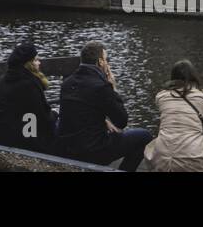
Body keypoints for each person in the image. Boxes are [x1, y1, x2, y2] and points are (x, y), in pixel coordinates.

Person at [56, 41, 152, 171]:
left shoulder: (67, 83)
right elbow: (121, 121)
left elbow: (81, 110)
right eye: (106, 60)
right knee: (144, 136)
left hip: (67, 148)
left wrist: (105, 121)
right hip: (93, 151)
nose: (107, 63)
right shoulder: (101, 86)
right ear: (100, 62)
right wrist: (113, 88)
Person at [144, 60, 203, 172]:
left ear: (173, 77)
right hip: (193, 159)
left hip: (162, 158)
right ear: (194, 76)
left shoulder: (161, 97)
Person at [0, 42, 57, 153]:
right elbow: (43, 116)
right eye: (35, 60)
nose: (39, 62)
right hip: (21, 138)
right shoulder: (30, 83)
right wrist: (55, 114)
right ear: (28, 64)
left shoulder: (3, 79)